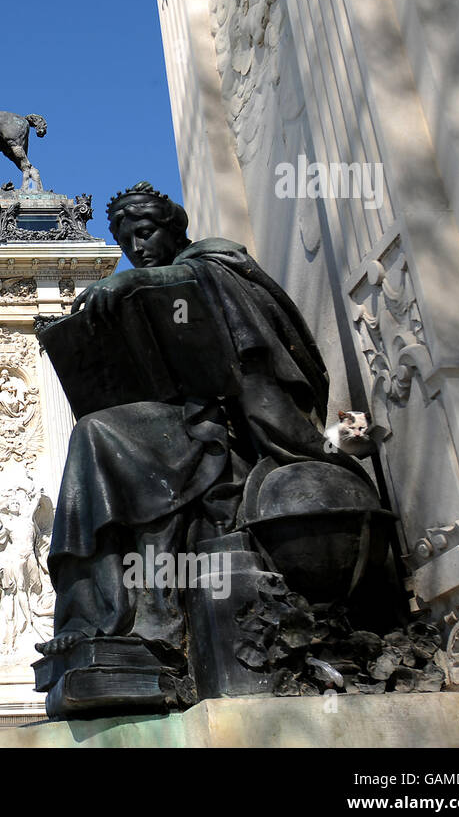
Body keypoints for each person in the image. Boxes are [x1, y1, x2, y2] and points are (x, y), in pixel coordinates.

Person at [36, 182, 368, 658]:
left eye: (146, 233)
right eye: (127, 243)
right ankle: (92, 618)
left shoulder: (215, 263)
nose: (136, 249)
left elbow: (223, 317)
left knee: (107, 440)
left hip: (231, 425)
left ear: (174, 229)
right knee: (94, 431)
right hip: (185, 422)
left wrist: (135, 281)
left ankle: (142, 621)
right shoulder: (167, 280)